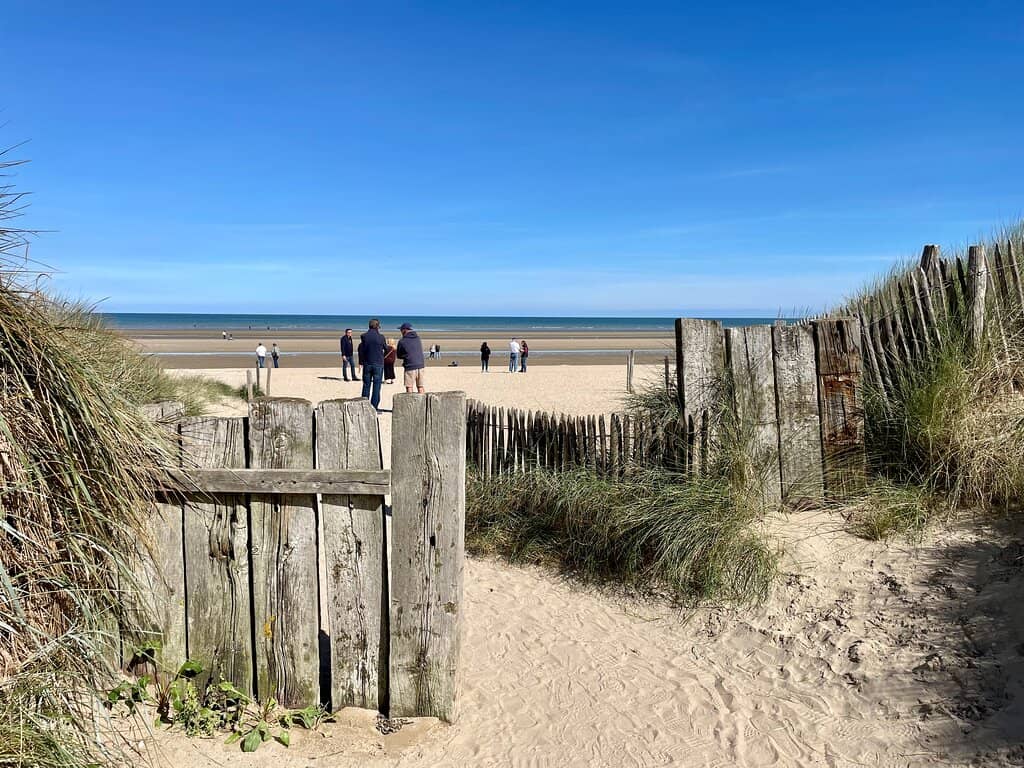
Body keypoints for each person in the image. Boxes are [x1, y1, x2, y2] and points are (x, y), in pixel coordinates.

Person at [357, 319, 387, 410]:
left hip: (367, 363)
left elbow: (361, 350)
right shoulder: (381, 337)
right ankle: (374, 407)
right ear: (377, 326)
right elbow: (386, 348)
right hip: (378, 363)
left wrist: (361, 362)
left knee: (366, 385)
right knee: (376, 386)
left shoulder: (364, 336)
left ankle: (364, 406)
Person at [396, 322, 426, 393]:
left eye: (401, 330)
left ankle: (410, 403)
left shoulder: (402, 341)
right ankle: (423, 402)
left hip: (410, 365)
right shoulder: (418, 338)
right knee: (420, 386)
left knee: (409, 386)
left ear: (404, 330)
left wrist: (405, 356)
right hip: (420, 365)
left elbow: (398, 355)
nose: (400, 332)